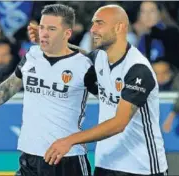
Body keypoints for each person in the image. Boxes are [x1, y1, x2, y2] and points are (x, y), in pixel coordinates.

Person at [0, 4, 98, 176]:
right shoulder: (32, 55)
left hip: (66, 159)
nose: (44, 33)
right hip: (30, 156)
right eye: (42, 27)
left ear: (67, 34)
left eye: (52, 29)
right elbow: (9, 86)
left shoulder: (84, 64)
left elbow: (110, 101)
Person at [31, 5, 168, 176]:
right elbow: (72, 56)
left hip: (142, 168)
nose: (92, 29)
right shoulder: (99, 58)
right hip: (105, 165)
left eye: (99, 23)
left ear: (119, 27)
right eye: (93, 23)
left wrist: (70, 140)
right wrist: (49, 40)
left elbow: (119, 124)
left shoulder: (137, 69)